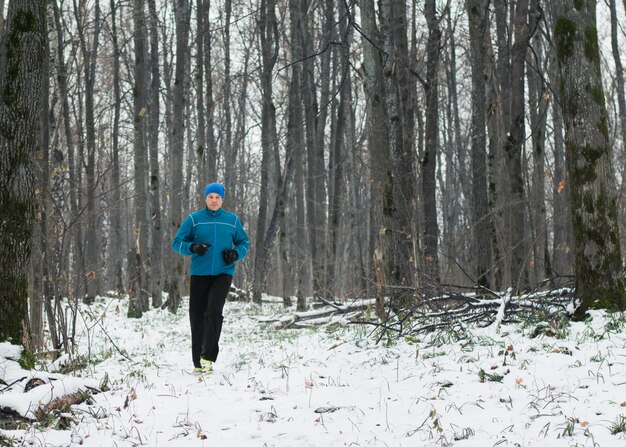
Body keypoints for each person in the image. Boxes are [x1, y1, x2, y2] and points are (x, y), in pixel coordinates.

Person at [172, 182, 249, 373]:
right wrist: (193, 248)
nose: (214, 201)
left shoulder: (232, 220)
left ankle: (208, 357)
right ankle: (197, 361)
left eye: (217, 197)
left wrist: (235, 254)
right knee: (197, 316)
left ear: (222, 199)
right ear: (205, 198)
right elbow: (177, 242)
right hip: (199, 273)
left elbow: (244, 242)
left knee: (214, 311)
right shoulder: (194, 219)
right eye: (210, 197)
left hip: (223, 272)